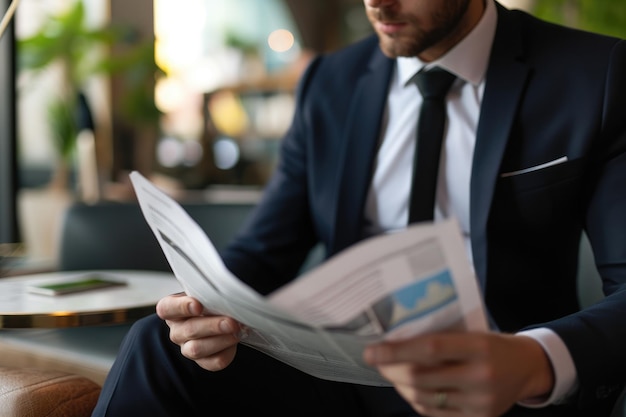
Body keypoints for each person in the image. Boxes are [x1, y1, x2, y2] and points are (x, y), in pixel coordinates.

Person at [92, 0, 626, 416]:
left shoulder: (593, 74)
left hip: (501, 390)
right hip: (342, 378)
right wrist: (203, 309)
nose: (379, 5)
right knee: (156, 345)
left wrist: (535, 361)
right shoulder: (331, 83)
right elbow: (262, 253)